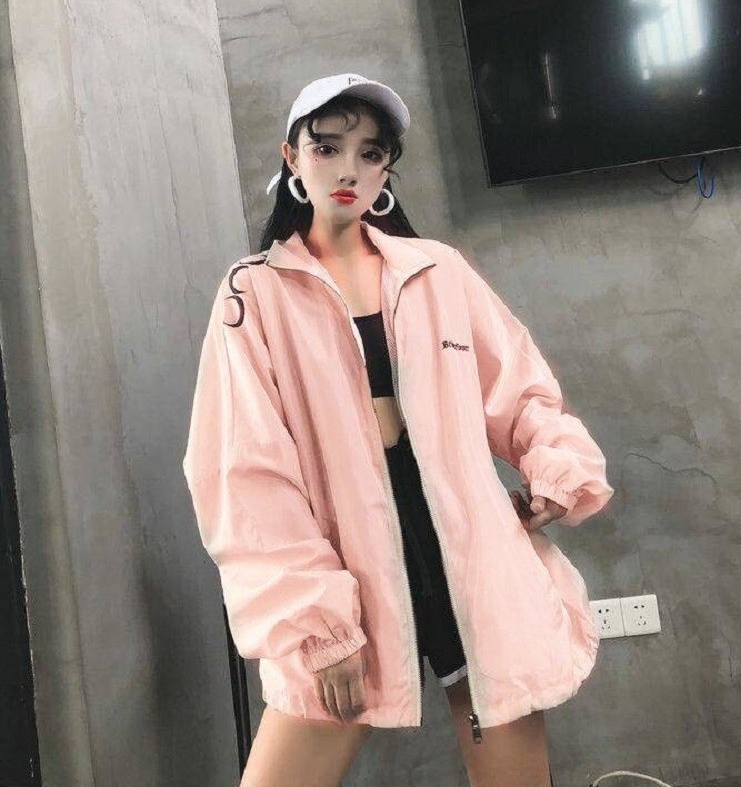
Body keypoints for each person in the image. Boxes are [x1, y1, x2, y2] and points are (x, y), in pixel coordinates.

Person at [182, 73, 615, 787]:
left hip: (469, 557)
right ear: (291, 156)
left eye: (371, 152)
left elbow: (521, 389)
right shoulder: (253, 294)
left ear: (387, 169)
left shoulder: (438, 272)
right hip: (344, 567)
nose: (348, 170)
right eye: (327, 148)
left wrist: (555, 469)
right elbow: (244, 476)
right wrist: (317, 624)